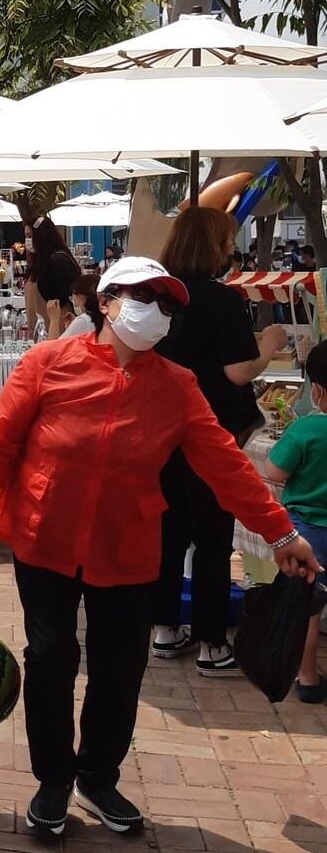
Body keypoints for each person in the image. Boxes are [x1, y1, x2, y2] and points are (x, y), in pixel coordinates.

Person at [0, 256, 318, 840]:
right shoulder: (47, 364)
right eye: (142, 296)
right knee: (50, 658)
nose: (156, 311)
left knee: (120, 670)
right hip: (43, 534)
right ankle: (52, 779)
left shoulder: (177, 387)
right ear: (105, 301)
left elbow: (226, 465)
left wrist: (281, 533)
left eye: (167, 303)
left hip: (126, 545)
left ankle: (96, 776)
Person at [151, 206, 287, 674]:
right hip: (210, 432)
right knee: (212, 537)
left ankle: (165, 628)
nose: (231, 248)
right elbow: (237, 372)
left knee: (170, 532)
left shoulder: (156, 297)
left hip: (161, 431)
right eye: (226, 241)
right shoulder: (222, 301)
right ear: (213, 245)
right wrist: (269, 343)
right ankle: (212, 642)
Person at [264, 342, 327, 702]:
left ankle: (307, 678)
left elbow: (274, 470)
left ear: (315, 390)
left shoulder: (305, 431)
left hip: (308, 533)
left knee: (308, 609)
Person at [59, 268, 104, 339]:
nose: (74, 303)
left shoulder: (84, 321)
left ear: (81, 296)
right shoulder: (103, 316)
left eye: (73, 297)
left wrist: (54, 320)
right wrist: (72, 327)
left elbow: (55, 347)